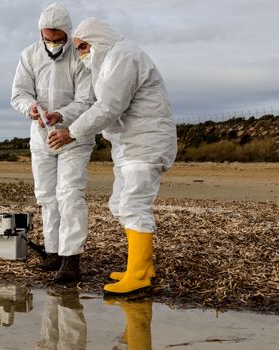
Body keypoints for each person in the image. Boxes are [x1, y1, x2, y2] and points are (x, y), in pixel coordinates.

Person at [48, 17, 177, 294]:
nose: (81, 53)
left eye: (83, 46)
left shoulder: (122, 56)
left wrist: (71, 131)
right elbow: (101, 105)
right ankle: (141, 266)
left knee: (134, 205)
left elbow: (109, 106)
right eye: (78, 48)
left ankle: (139, 275)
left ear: (97, 38)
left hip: (145, 143)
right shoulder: (109, 62)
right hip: (129, 145)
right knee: (120, 204)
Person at [11, 3, 95, 282]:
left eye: (57, 38)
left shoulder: (80, 56)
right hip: (41, 136)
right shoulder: (30, 55)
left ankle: (72, 259)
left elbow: (87, 99)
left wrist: (61, 115)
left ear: (67, 34)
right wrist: (31, 109)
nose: (52, 43)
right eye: (47, 37)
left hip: (74, 135)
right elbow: (19, 93)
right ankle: (54, 251)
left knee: (69, 194)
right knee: (47, 195)